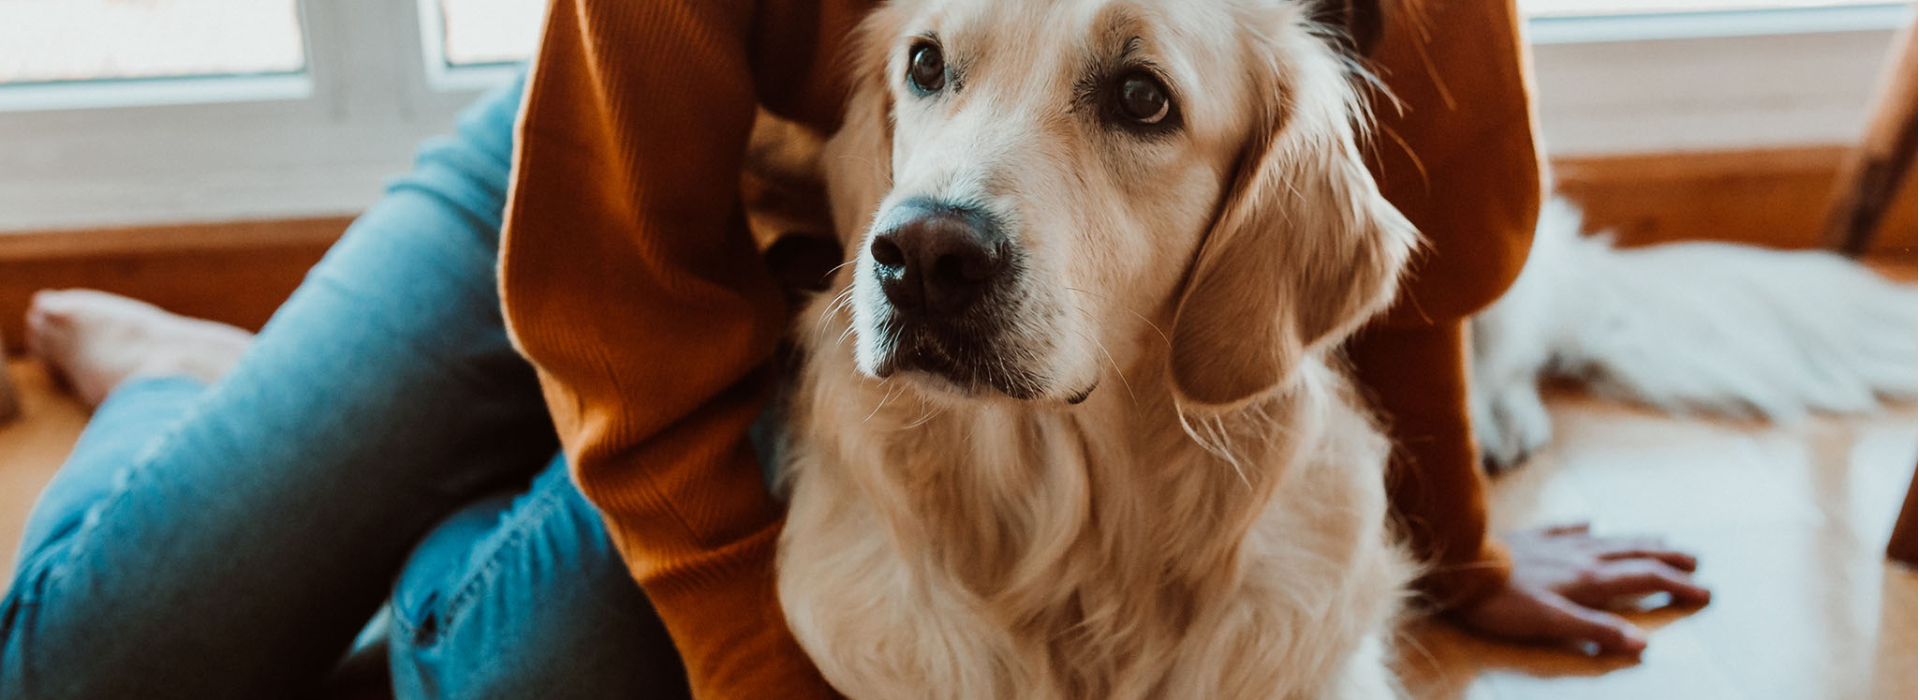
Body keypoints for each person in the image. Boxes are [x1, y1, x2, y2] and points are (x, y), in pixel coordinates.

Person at [1, 1, 1707, 699]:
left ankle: (371, 459)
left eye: (1139, 88)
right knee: (89, 668)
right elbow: (613, 288)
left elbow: (1370, 239)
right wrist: (761, 672)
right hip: (594, 200)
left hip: (876, 270)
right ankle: (184, 379)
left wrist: (1453, 551)